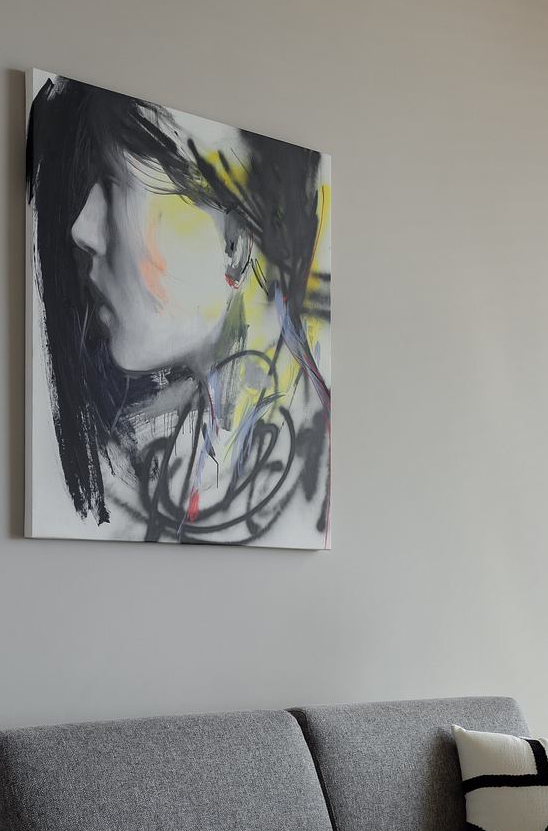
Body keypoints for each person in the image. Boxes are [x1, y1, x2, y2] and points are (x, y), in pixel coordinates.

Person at [26, 72, 331, 547]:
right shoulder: (179, 455)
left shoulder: (303, 467)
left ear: (232, 243)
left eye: (112, 182)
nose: (81, 228)